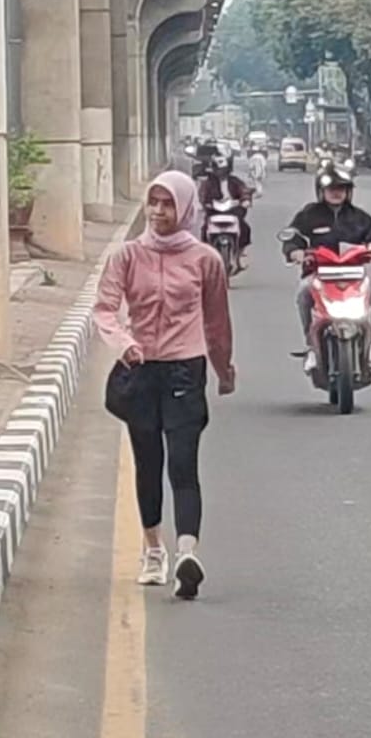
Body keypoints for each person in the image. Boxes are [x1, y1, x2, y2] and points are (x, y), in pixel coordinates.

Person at [94, 171, 236, 598]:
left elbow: (216, 322)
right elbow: (104, 309)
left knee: (183, 464)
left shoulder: (205, 259)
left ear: (186, 208)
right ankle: (153, 549)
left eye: (168, 204)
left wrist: (223, 370)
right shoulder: (127, 256)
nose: (158, 211)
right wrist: (124, 343)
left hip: (184, 370)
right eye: (153, 202)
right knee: (148, 461)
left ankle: (187, 553)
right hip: (140, 370)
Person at [283, 162, 371, 370]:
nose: (336, 193)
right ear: (321, 191)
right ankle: (312, 344)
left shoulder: (360, 218)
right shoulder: (309, 215)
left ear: (348, 192)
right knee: (303, 292)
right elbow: (293, 237)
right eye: (331, 189)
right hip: (319, 274)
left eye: (341, 188)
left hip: (354, 276)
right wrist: (295, 251)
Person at [197, 154, 254, 265]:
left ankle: (240, 253)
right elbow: (202, 194)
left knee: (245, 228)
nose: (220, 172)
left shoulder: (235, 181)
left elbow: (244, 190)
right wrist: (205, 203)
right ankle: (206, 255)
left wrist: (245, 200)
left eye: (223, 170)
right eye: (218, 169)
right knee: (204, 229)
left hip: (233, 210)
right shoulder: (208, 183)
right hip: (214, 211)